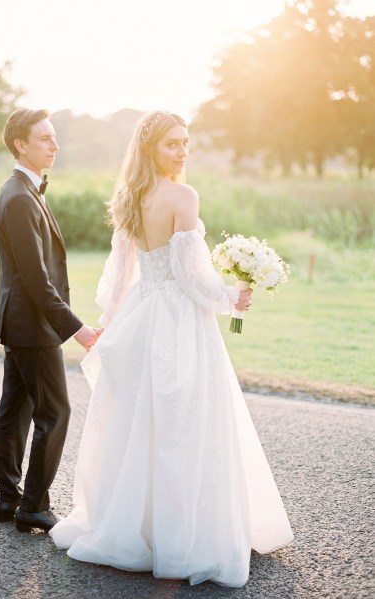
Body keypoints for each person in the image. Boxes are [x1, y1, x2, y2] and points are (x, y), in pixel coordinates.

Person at [49, 111, 293, 587]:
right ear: (150, 149)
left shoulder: (130, 196)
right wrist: (230, 299)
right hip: (180, 320)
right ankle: (184, 534)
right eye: (171, 145)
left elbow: (121, 274)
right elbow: (192, 276)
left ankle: (138, 526)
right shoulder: (183, 196)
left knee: (144, 420)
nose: (182, 152)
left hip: (143, 314)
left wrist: (115, 321)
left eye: (186, 143)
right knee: (185, 421)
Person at [0, 108, 100, 533]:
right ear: (21, 144)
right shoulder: (19, 197)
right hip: (32, 325)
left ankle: (9, 499)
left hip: (20, 323)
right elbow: (37, 280)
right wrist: (77, 328)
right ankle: (33, 506)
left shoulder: (24, 190)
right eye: (45, 138)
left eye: (55, 137)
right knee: (55, 412)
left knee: (15, 410)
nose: (55, 145)